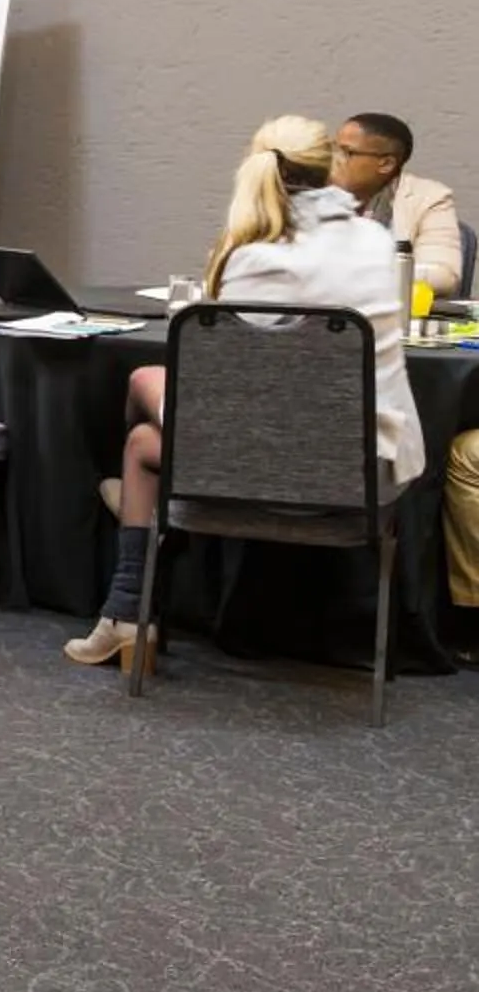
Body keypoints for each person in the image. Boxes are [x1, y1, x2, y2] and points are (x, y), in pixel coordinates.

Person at [67, 115, 426, 668]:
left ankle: (130, 598)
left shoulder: (253, 258)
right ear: (329, 165)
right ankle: (141, 544)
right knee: (149, 411)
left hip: (252, 472)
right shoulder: (376, 242)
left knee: (141, 427)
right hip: (362, 474)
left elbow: (229, 390)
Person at [333, 113, 462, 297]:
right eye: (332, 149)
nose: (333, 160)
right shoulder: (314, 192)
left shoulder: (429, 198)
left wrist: (359, 273)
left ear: (386, 164)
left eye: (347, 153)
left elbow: (443, 275)